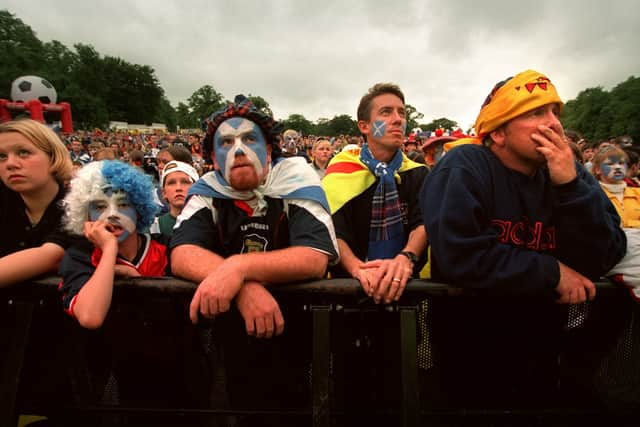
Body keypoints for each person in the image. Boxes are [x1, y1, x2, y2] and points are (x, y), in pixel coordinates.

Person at [420, 69, 627, 408]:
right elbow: (461, 253)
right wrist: (553, 272)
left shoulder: (565, 170)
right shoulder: (464, 165)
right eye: (535, 113)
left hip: (548, 347)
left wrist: (570, 186)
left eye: (554, 112)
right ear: (498, 133)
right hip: (471, 350)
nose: (553, 124)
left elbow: (607, 250)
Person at [170, 95, 338, 420]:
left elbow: (315, 256)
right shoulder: (207, 191)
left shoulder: (296, 179)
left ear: (270, 150)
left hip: (299, 346)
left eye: (250, 139)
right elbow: (181, 253)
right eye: (226, 142)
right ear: (215, 160)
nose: (239, 150)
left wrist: (237, 267)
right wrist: (244, 288)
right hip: (229, 349)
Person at [322, 82, 428, 305]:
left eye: (402, 112)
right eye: (386, 112)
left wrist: (405, 258)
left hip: (406, 293)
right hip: (349, 292)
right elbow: (332, 229)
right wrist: (357, 268)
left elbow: (423, 223)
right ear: (364, 126)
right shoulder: (341, 171)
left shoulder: (418, 174)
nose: (398, 119)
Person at [58, 160, 166, 329]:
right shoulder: (78, 256)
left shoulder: (165, 247)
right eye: (100, 207)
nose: (112, 214)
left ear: (139, 209)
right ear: (86, 215)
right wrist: (109, 250)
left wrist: (140, 282)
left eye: (123, 204)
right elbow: (89, 317)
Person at [0, 119, 75, 287]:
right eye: (1, 156)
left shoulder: (78, 205)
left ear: (53, 156)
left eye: (23, 152)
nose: (10, 163)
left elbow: (51, 256)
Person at [150, 160, 199, 237]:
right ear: (164, 193)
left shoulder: (211, 225)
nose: (178, 188)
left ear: (196, 189)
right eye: (171, 183)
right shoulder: (152, 228)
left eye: (185, 182)